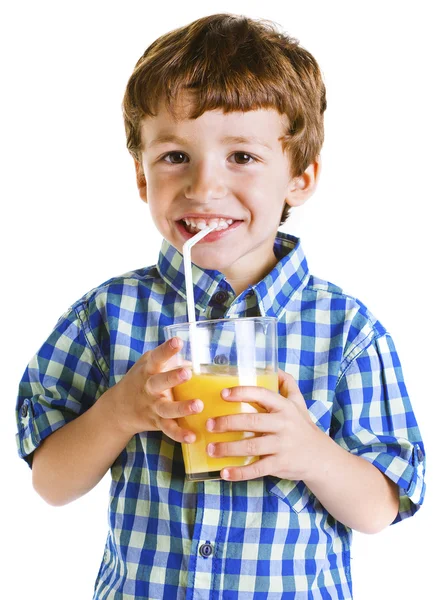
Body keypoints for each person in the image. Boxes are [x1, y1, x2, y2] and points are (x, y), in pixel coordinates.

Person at [16, 13, 426, 599]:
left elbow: (382, 507)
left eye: (242, 157)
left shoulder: (348, 332)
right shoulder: (108, 314)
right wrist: (120, 412)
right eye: (175, 157)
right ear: (141, 177)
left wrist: (312, 454)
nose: (204, 187)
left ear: (300, 178)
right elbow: (50, 483)